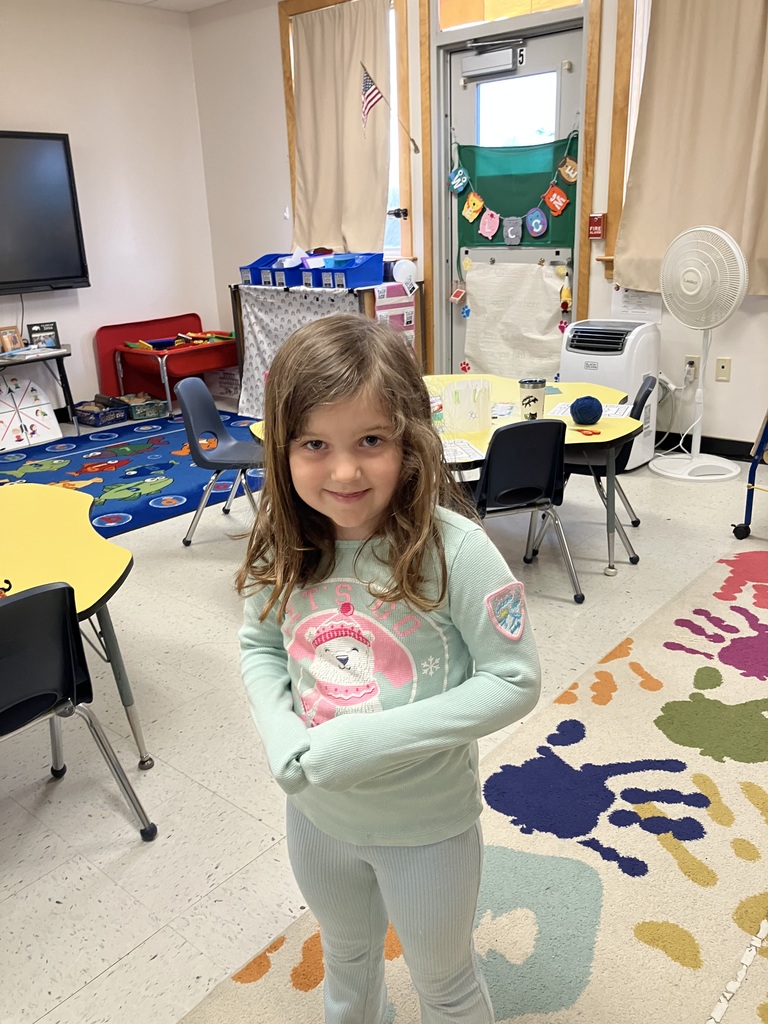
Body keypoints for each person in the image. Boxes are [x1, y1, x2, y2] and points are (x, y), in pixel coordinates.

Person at [236, 314, 541, 1024]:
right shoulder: (277, 542)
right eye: (315, 444)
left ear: (410, 443)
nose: (343, 471)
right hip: (316, 819)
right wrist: (278, 730)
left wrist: (372, 742)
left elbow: (514, 680)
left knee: (445, 985)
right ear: (283, 449)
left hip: (426, 828)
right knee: (345, 962)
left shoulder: (455, 551)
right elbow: (260, 647)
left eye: (370, 441)